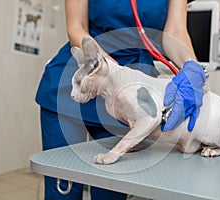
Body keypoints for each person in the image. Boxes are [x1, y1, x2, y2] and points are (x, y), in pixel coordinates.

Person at [35, 0, 206, 199]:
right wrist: (114, 73)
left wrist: (192, 66)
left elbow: (175, 30)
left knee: (110, 190)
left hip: (131, 97)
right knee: (62, 189)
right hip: (78, 81)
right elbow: (76, 28)